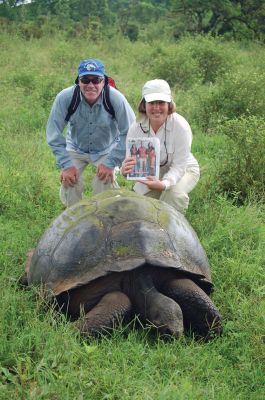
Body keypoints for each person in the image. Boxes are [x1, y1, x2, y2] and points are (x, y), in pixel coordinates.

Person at [46, 59, 135, 207]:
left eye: (96, 80)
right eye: (85, 80)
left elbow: (131, 132)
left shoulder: (115, 98)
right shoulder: (65, 98)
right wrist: (67, 165)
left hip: (107, 148)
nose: (90, 85)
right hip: (76, 147)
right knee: (70, 182)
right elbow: (53, 134)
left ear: (104, 81)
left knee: (104, 181)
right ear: (78, 81)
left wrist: (110, 163)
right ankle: (73, 220)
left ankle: (104, 219)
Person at [121, 79, 200, 213]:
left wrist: (163, 184)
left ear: (169, 105)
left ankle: (172, 232)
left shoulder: (181, 127)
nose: (156, 108)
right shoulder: (136, 128)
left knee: (173, 195)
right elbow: (132, 163)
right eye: (151, 103)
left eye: (161, 103)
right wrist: (125, 170)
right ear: (144, 105)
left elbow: (179, 166)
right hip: (152, 173)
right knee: (138, 206)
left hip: (184, 169)